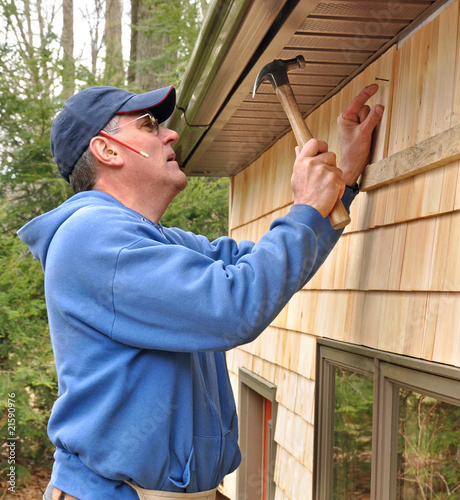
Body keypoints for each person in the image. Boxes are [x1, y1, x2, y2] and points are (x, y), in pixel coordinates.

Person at [18, 82, 383, 500]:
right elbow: (234, 304)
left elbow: (260, 266)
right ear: (109, 151)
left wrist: (341, 182)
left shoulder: (156, 241)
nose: (170, 134)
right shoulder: (93, 237)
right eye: (149, 125)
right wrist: (305, 208)